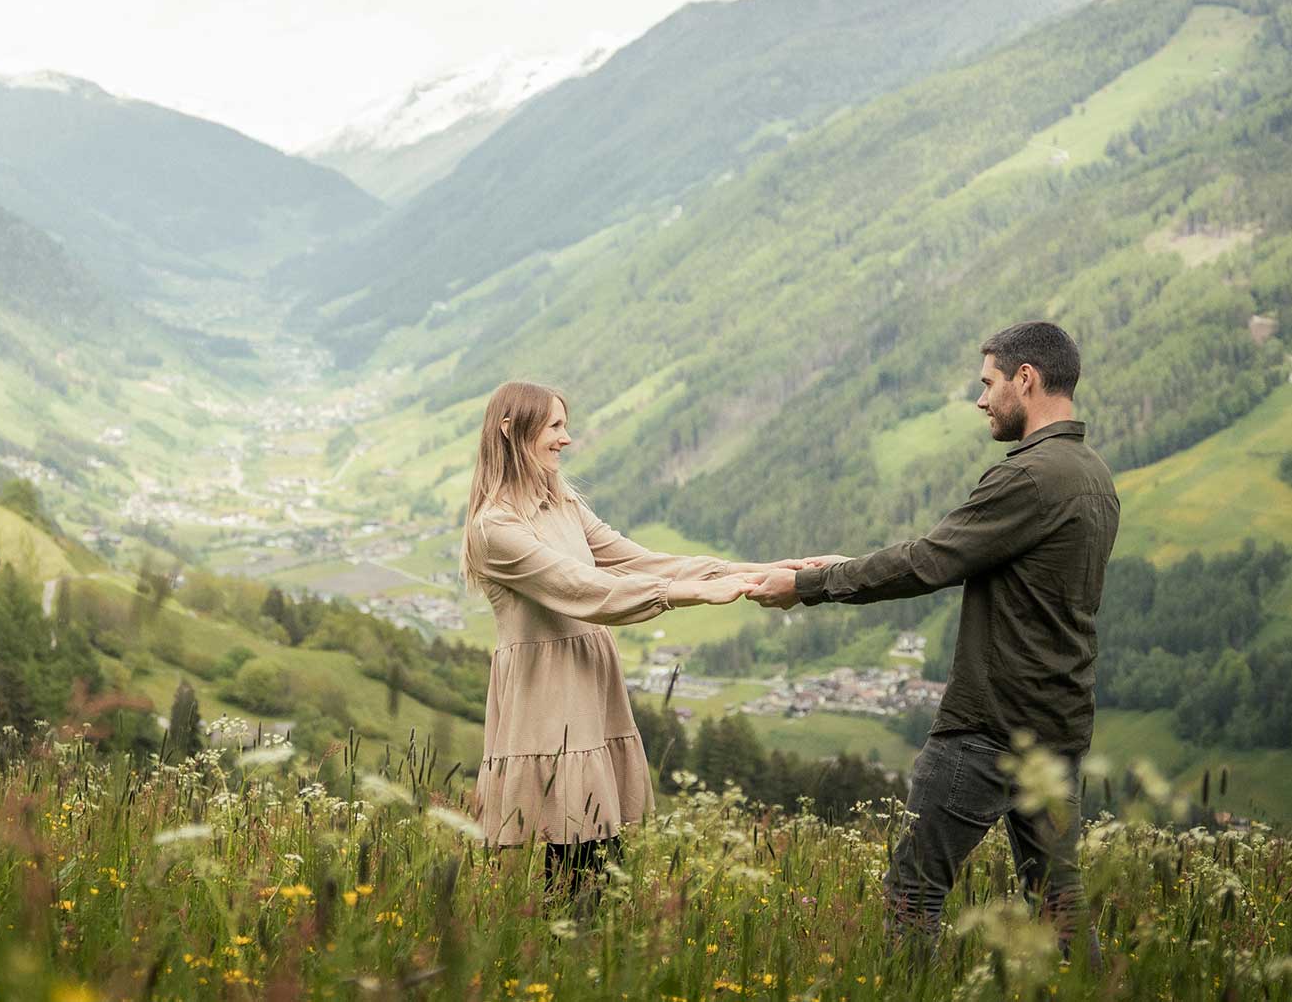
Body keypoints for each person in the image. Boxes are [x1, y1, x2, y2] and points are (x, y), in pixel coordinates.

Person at [751, 322, 1119, 958]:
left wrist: (809, 584)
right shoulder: (1093, 475)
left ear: (1025, 379)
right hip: (1058, 725)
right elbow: (970, 558)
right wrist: (848, 564)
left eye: (988, 383)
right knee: (1059, 907)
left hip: (988, 729)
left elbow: (926, 563)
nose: (981, 400)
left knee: (913, 894)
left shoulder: (1028, 477)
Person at [461, 380, 773, 897]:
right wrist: (685, 594)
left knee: (595, 852)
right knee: (578, 852)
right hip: (547, 695)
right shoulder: (494, 529)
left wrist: (750, 571)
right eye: (555, 426)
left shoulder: (562, 505)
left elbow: (636, 558)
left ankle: (579, 951)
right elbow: (584, 588)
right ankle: (560, 954)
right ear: (512, 430)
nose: (566, 438)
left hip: (586, 683)